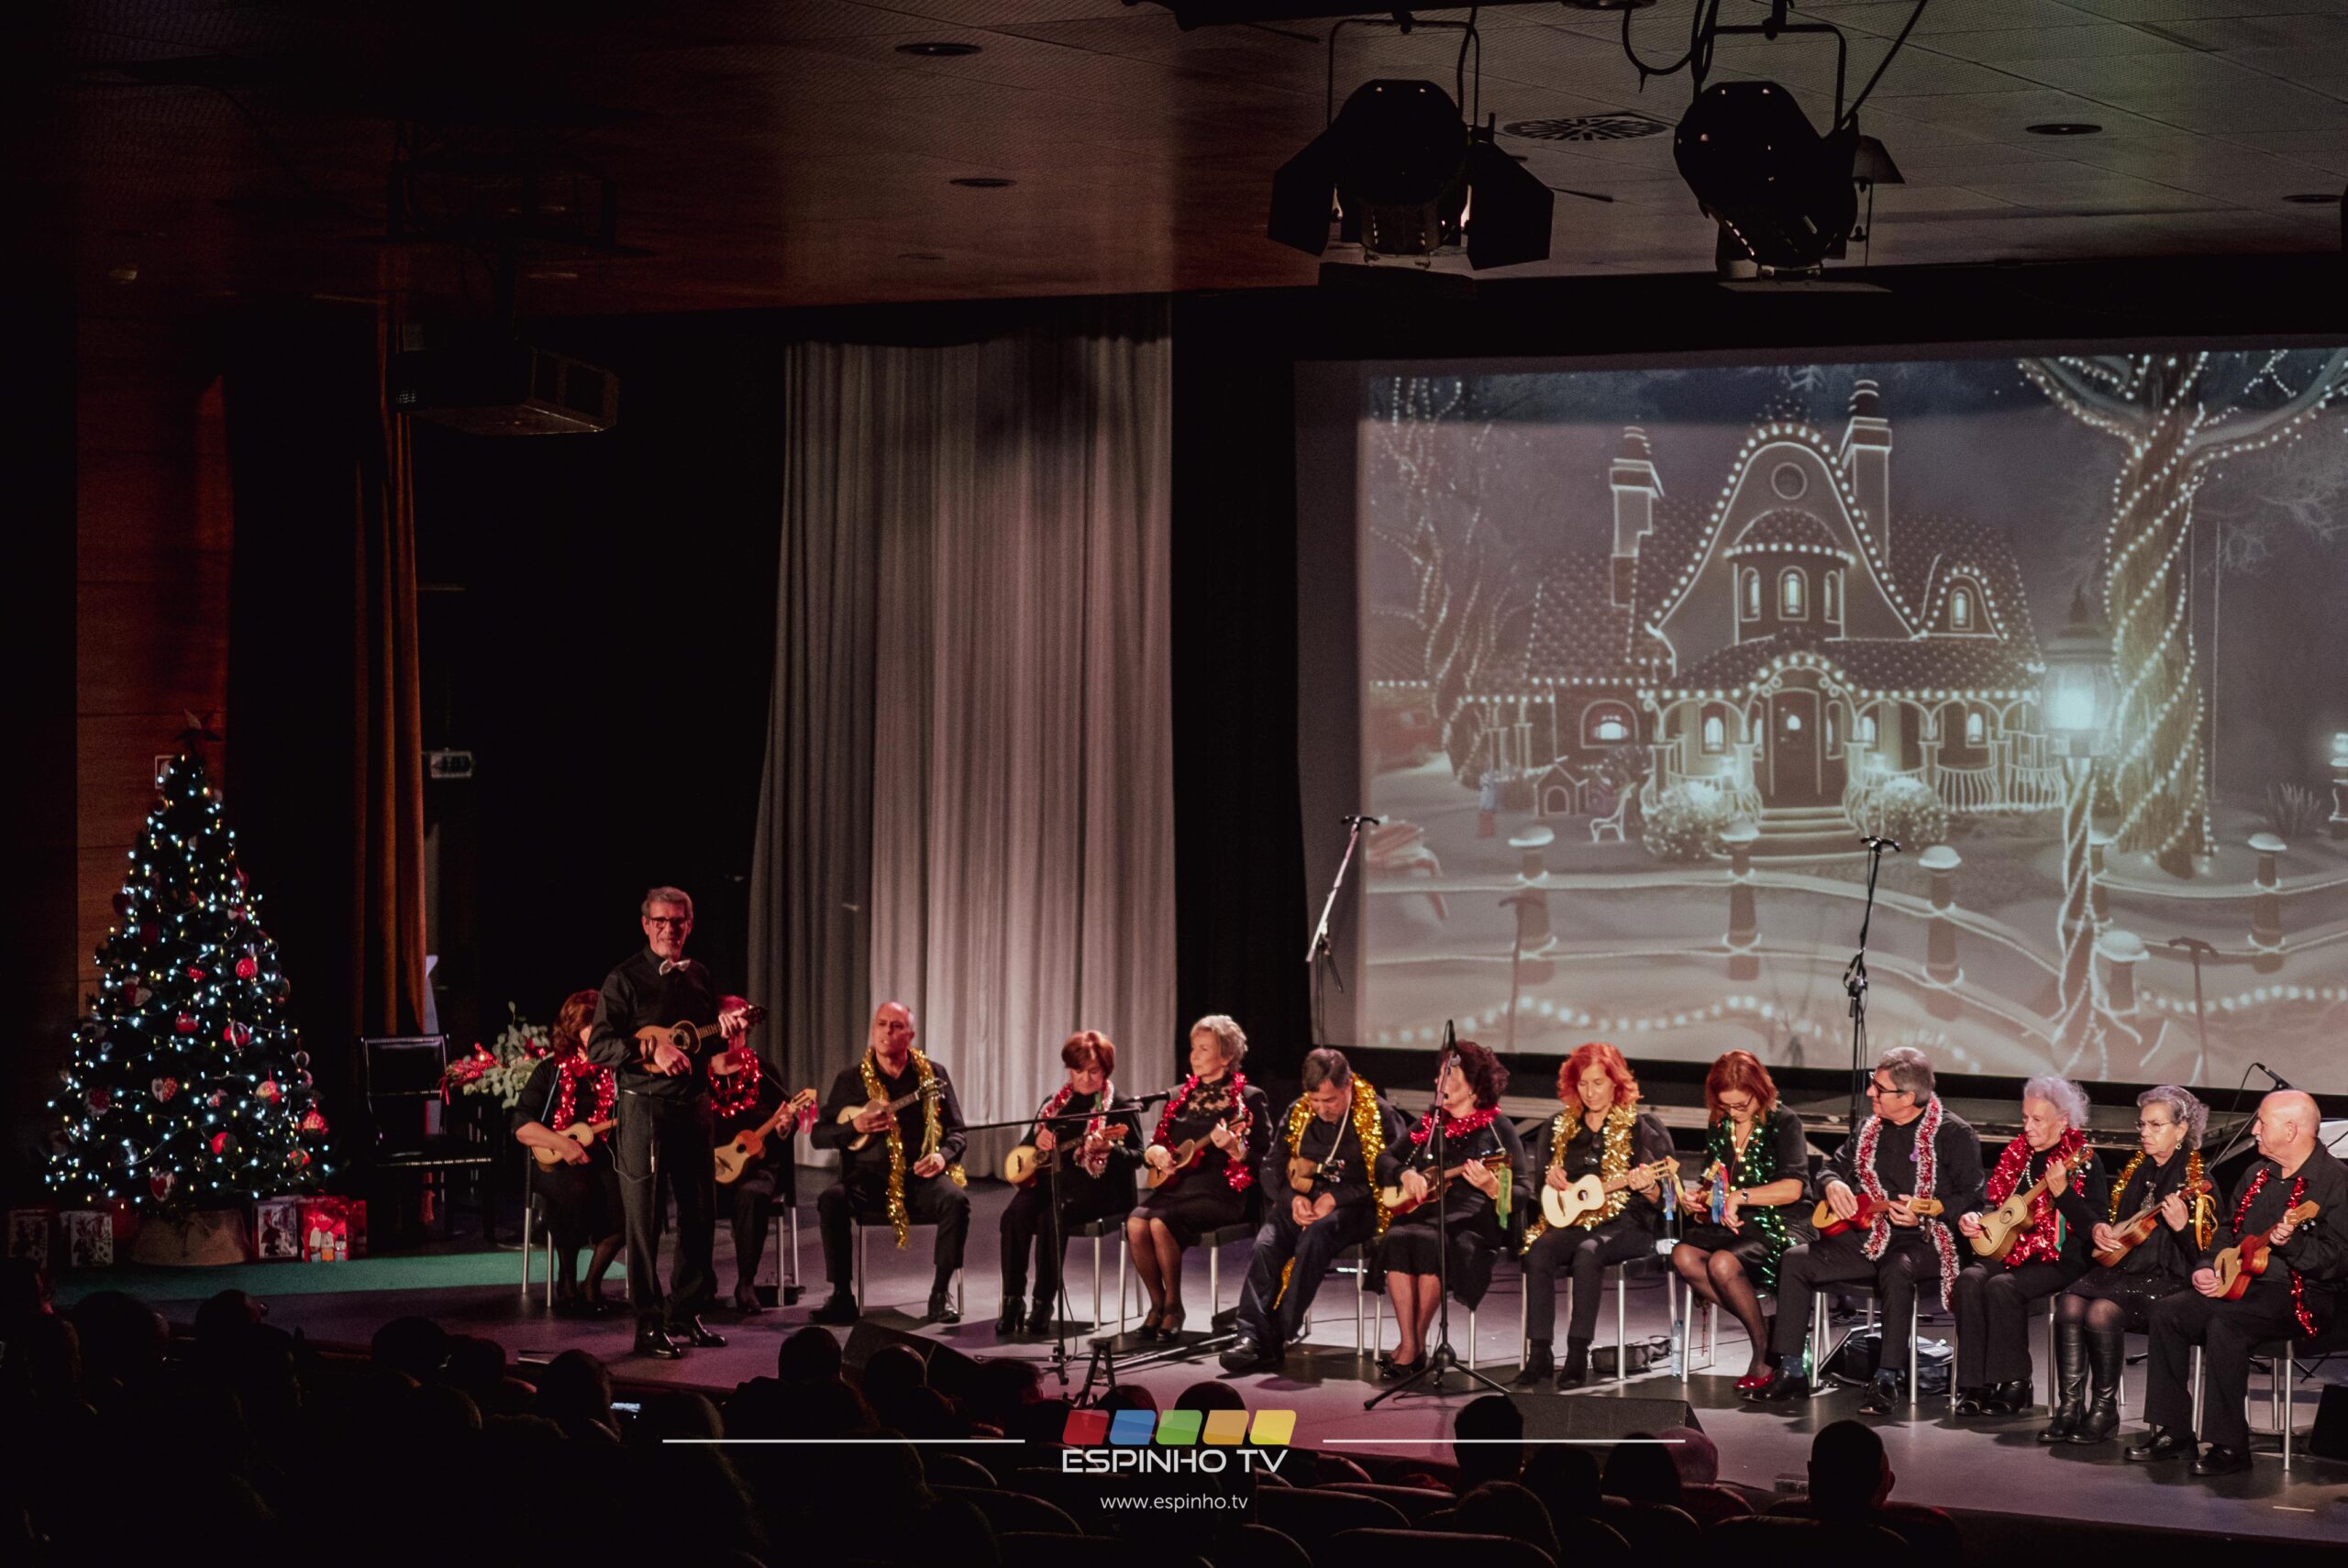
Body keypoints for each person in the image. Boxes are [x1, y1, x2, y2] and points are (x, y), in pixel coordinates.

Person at [1752, 1045, 1984, 1414]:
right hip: (1869, 1236)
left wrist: (1930, 1212)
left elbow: (1973, 1198)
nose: (1870, 1093)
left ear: (1908, 1097)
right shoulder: (1869, 1128)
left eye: (1878, 1087)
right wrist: (1832, 1185)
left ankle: (1886, 1378)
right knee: (1796, 1261)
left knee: (1897, 1267)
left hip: (1925, 1241)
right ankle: (1792, 1370)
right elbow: (1830, 1168)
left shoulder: (1954, 1134)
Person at [2128, 1089, 2348, 1476]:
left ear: (2292, 1129)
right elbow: (2227, 1230)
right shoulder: (2256, 1174)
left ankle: (2230, 1445)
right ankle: (2174, 1430)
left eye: (2262, 1122)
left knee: (2225, 1323)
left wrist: (2293, 1244)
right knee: (2168, 1311)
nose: (2256, 1130)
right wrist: (2208, 1264)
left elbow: (2339, 1261)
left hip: (2304, 1295)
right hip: (2243, 1286)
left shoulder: (2336, 1182)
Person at [583, 887, 754, 1358]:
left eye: (677, 922)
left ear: (689, 925)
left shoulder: (698, 976)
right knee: (645, 1219)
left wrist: (729, 1038)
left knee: (700, 1214)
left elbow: (705, 1050)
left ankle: (685, 1311)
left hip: (693, 1107)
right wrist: (649, 1048)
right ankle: (647, 1322)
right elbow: (599, 1047)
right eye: (660, 921)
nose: (668, 930)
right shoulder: (624, 979)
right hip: (644, 1109)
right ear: (645, 924)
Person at [1223, 1047, 1408, 1371]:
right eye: (1316, 1101)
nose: (1322, 1109)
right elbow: (1271, 1168)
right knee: (1267, 1243)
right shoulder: (1298, 1112)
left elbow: (1392, 1176)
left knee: (1317, 1235)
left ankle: (1276, 1334)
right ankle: (1249, 1334)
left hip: (1358, 1207)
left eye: (1330, 1100)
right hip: (1302, 1201)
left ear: (1348, 1085)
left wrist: (1337, 1198)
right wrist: (1292, 1198)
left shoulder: (1379, 1115)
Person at [2044, 1085, 2210, 1445]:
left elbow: (2205, 1252)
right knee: (2070, 1303)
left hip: (2168, 1278)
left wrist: (2182, 1228)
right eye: (2142, 1125)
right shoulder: (2139, 1169)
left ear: (2181, 1130)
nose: (2145, 1133)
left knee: (2101, 1311)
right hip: (2123, 1269)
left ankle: (2104, 1411)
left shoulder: (2196, 1178)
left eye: (2156, 1125)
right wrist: (2099, 1228)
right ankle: (2070, 1406)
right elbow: (2115, 1225)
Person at [1517, 1043, 1676, 1389]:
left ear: (1616, 1083)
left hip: (1629, 1224)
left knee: (1590, 1253)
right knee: (1539, 1250)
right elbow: (1544, 1188)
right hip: (1574, 1222)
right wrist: (1554, 1179)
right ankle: (1540, 1353)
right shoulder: (1559, 1127)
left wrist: (1646, 1186)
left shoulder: (1641, 1126)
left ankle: (1577, 1355)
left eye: (1598, 1083)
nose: (1590, 1092)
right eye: (1583, 1084)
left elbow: (1665, 1197)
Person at [1950, 1076, 2106, 1417]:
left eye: (2038, 1120)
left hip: (2063, 1258)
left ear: (2063, 1121)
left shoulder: (2082, 1161)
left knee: (2003, 1287)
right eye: (2025, 1118)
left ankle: (2016, 1383)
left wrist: (2062, 1192)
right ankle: (1976, 1384)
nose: (2028, 1127)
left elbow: (2093, 1226)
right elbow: (2002, 1212)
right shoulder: (2017, 1155)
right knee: (1970, 1279)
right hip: (2014, 1251)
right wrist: (1976, 1219)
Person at [1375, 1039, 1528, 1381]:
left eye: (1447, 1074)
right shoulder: (1431, 1124)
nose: (1436, 1082)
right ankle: (1412, 1342)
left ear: (1473, 1084)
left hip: (1473, 1225)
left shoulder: (1497, 1129)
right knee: (1398, 1236)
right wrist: (1405, 1173)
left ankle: (1411, 1350)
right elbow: (1384, 1159)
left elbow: (1521, 1191)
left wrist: (1492, 1186)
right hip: (1428, 1217)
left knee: (1433, 1241)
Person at [810, 1001, 970, 1325]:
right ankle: (842, 1295)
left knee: (956, 1201)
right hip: (868, 1179)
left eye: (896, 1026)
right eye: (881, 1024)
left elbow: (957, 1132)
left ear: (910, 1035)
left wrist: (942, 1156)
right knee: (832, 1199)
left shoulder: (932, 1075)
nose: (887, 1031)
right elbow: (819, 1135)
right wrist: (853, 1127)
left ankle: (940, 1293)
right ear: (873, 1030)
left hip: (921, 1177)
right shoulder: (850, 1080)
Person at [1670, 1050, 1812, 1386]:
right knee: (1683, 1255)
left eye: (1741, 1104)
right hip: (1736, 1225)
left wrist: (1741, 1196)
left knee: (1721, 1264)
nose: (1734, 1112)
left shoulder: (1783, 1121)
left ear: (1759, 1091)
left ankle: (1762, 1353)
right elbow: (1714, 1178)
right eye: (1727, 1105)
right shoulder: (1720, 1123)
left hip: (1782, 1224)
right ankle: (1768, 1334)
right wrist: (1700, 1198)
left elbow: (1793, 1188)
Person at [1127, 1015, 1270, 1340]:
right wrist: (1155, 1154)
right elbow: (1156, 1144)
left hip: (1220, 1194)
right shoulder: (1179, 1095)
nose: (1194, 1055)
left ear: (1226, 1056)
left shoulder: (1248, 1098)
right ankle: (1157, 1304)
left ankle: (1174, 1306)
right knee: (1136, 1223)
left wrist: (1236, 1150)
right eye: (1193, 1047)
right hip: (1176, 1188)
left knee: (1161, 1222)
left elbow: (1267, 1159)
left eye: (1204, 1048)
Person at [997, 1030, 1140, 1335]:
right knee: (1014, 1216)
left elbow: (1138, 1156)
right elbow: (1026, 1146)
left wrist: (1110, 1149)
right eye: (1078, 1071)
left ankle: (1043, 1301)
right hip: (1051, 1184)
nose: (1086, 1078)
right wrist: (1038, 1139)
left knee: (1053, 1216)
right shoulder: (1055, 1103)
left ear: (1105, 1070)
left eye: (1094, 1071)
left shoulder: (1120, 1106)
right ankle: (1012, 1299)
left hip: (1099, 1191)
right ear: (1069, 1070)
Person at [510, 988, 625, 1316]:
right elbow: (521, 1126)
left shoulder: (616, 1072)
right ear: (575, 1032)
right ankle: (567, 1277)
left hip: (604, 1159)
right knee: (575, 1192)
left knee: (630, 1209)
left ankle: (592, 1283)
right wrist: (564, 1144)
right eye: (593, 1025)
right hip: (555, 1165)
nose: (601, 1031)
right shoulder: (552, 1072)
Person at [706, 994, 797, 1313]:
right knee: (695, 1192)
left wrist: (785, 1125)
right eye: (729, 1029)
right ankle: (700, 1281)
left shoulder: (763, 1069)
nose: (735, 1036)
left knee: (754, 1195)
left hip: (758, 1168)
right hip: (710, 1166)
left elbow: (789, 1118)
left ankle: (746, 1282)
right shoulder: (699, 1073)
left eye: (740, 1030)